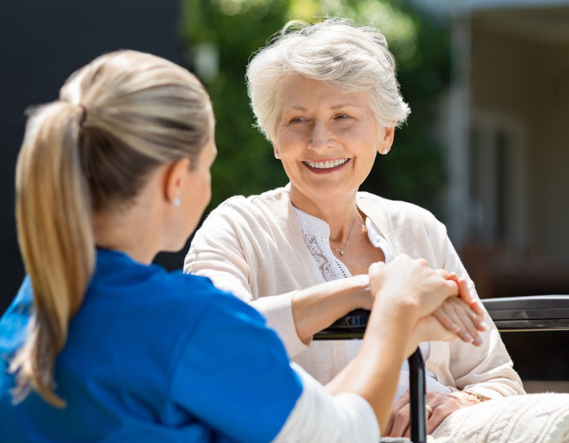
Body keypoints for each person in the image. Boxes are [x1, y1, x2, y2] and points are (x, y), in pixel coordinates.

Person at [0, 49, 465, 443]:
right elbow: (341, 434)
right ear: (174, 181)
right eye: (208, 165)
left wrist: (359, 290)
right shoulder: (189, 323)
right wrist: (396, 311)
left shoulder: (27, 315)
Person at [184, 18, 525, 438]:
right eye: (297, 120)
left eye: (342, 116)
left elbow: (498, 379)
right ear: (274, 139)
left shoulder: (418, 228)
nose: (320, 141)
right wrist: (368, 291)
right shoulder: (236, 227)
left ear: (385, 133)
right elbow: (216, 341)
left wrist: (458, 403)